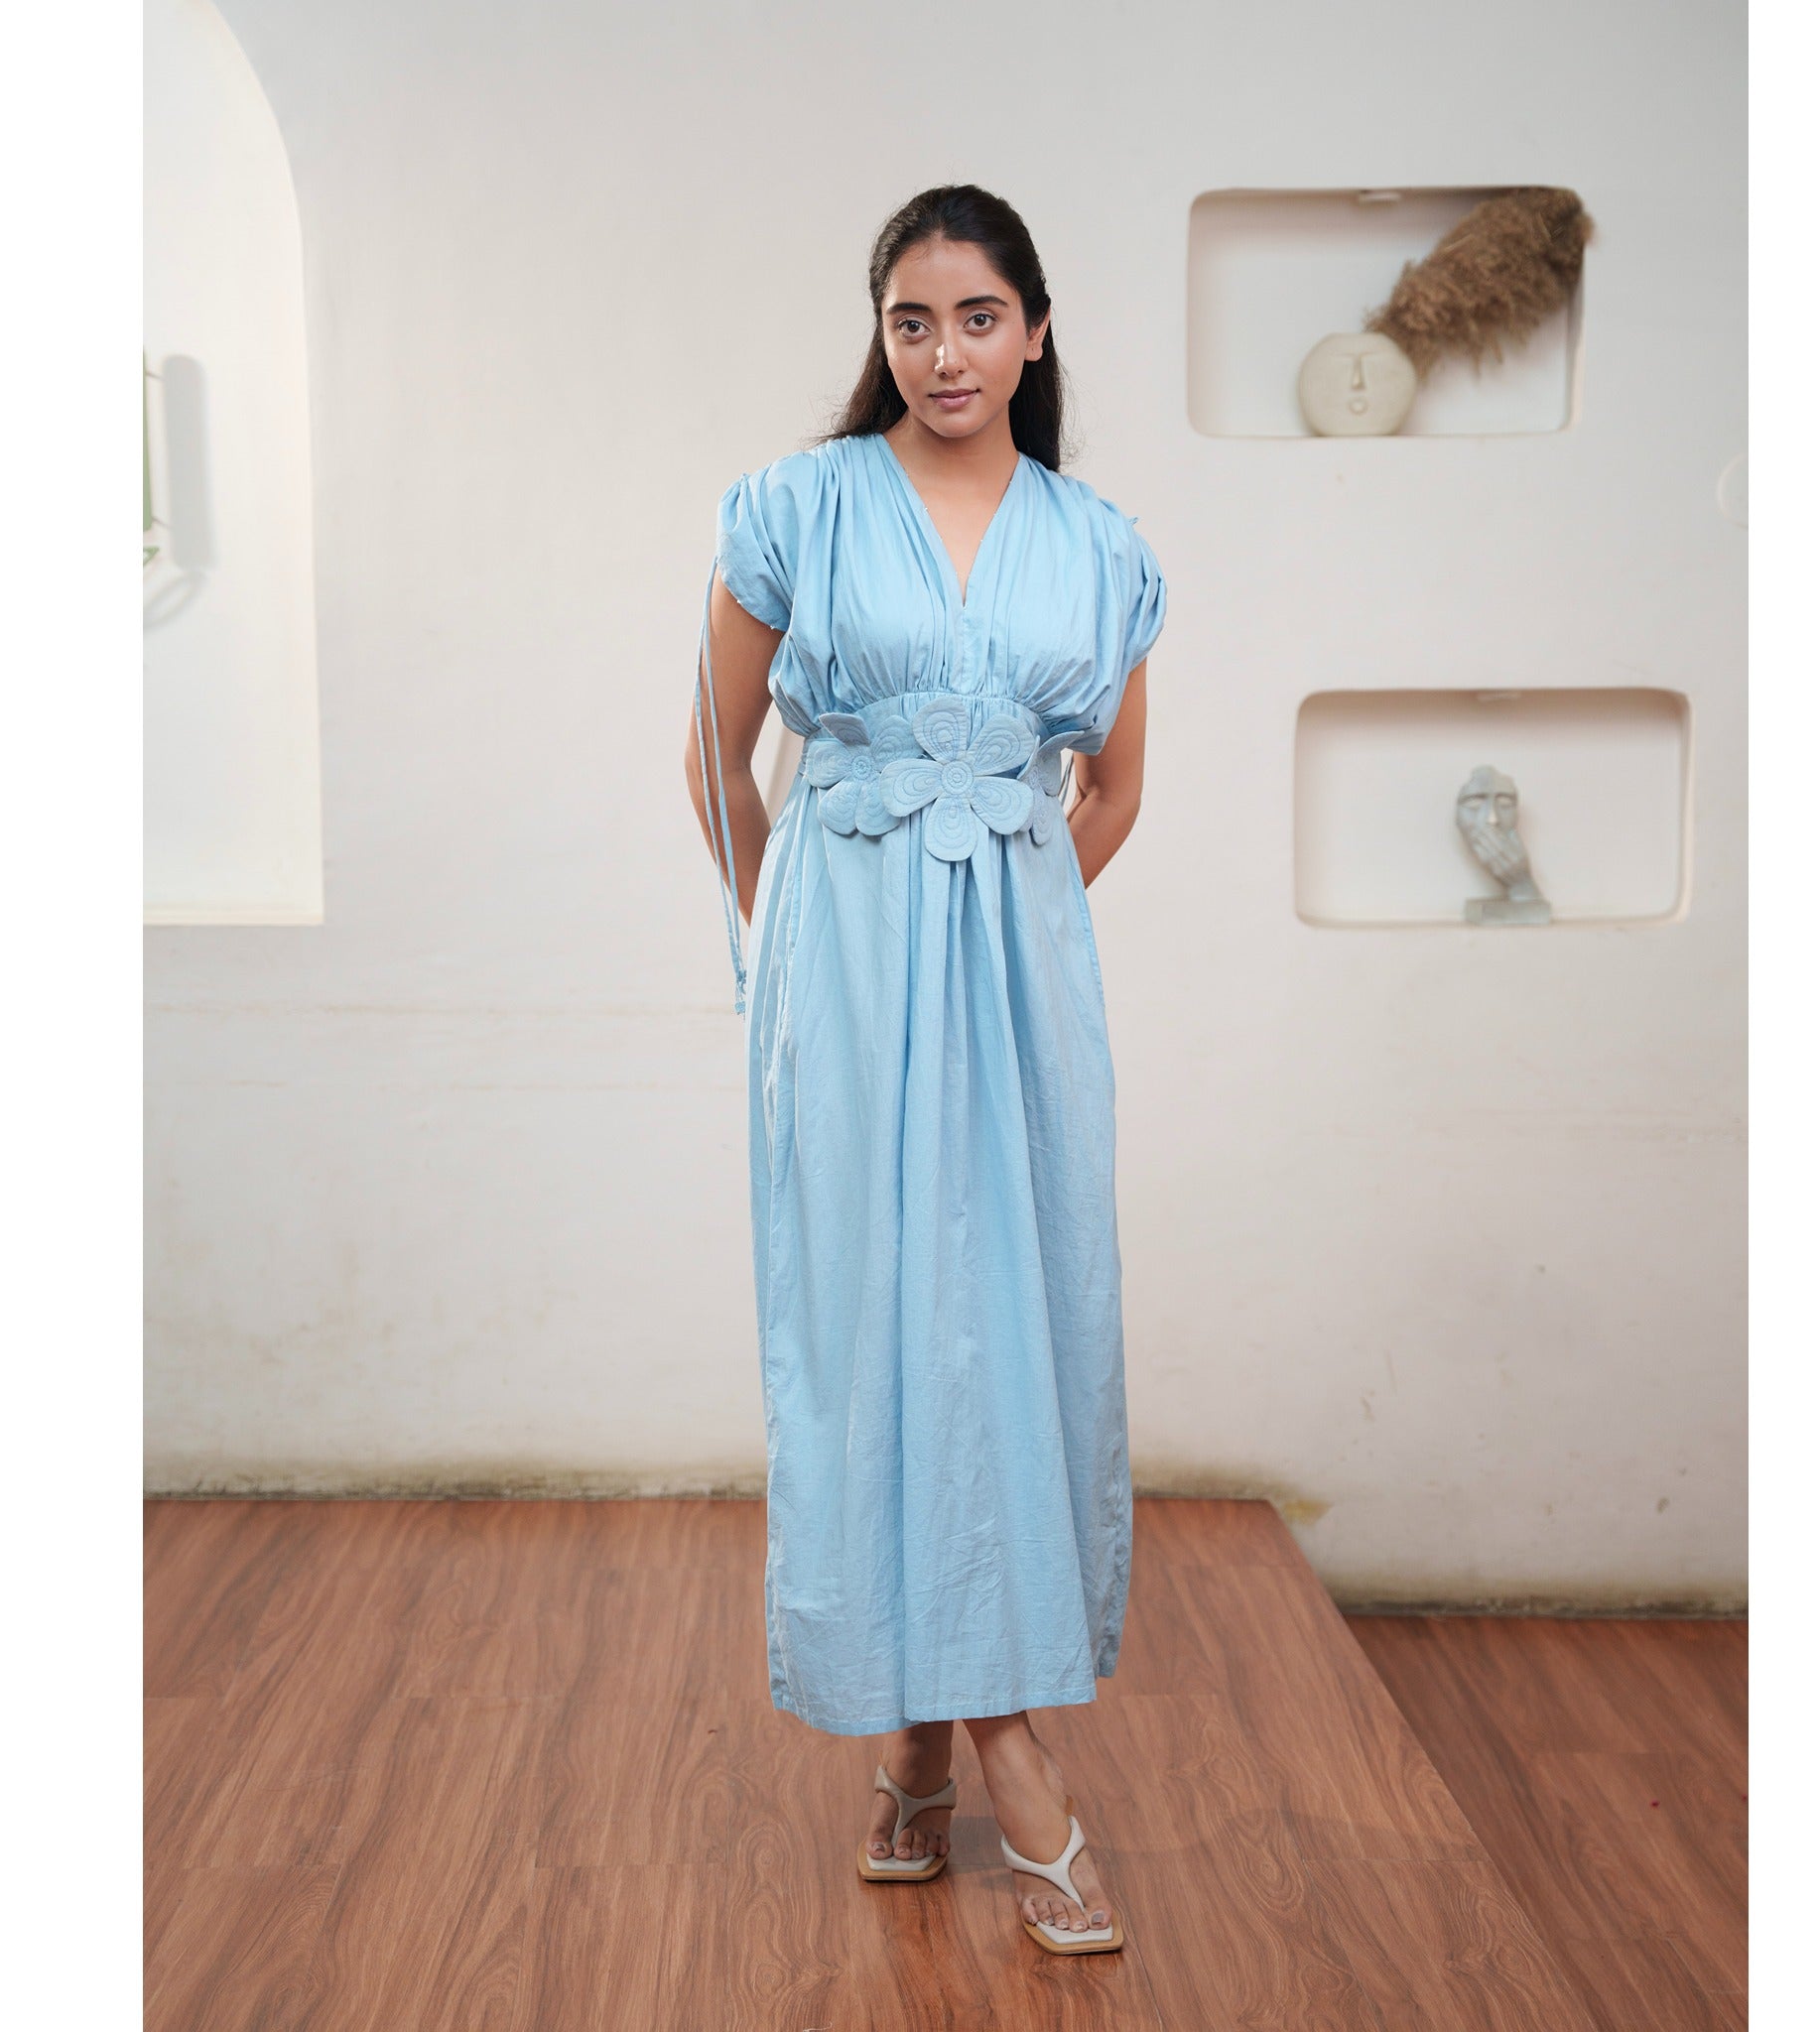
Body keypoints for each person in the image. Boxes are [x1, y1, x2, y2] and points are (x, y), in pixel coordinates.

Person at [684, 184, 1165, 1957]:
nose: (944, 352)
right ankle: (1011, 1767)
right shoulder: (793, 508)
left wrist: (1005, 918)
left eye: (976, 317)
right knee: (875, 1332)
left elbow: (1112, 790)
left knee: (1016, 1332)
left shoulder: (1101, 546)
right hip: (843, 982)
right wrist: (806, 940)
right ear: (879, 334)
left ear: (1035, 330)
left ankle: (918, 1751)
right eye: (911, 320)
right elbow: (715, 756)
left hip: (1020, 997)